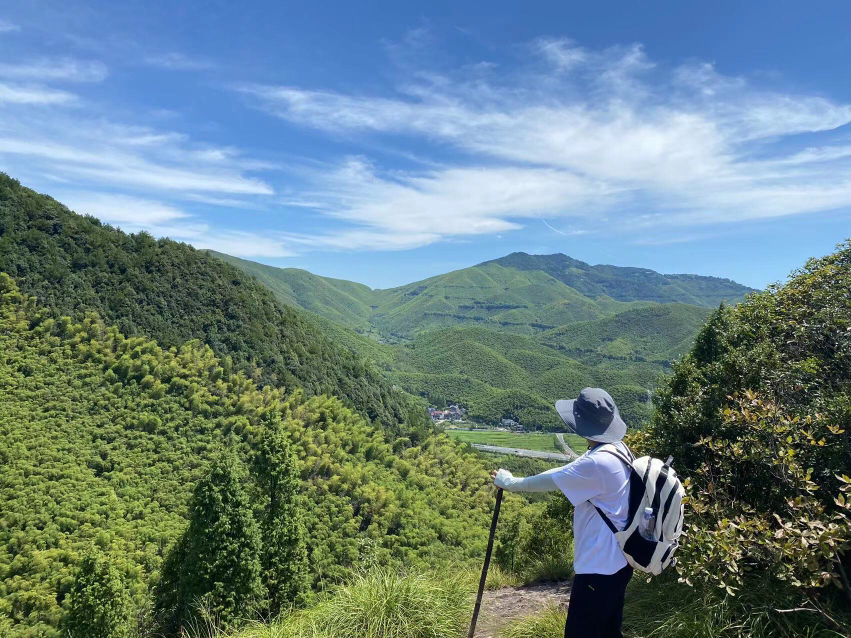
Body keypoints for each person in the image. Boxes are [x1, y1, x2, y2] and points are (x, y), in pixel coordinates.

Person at [491, 387, 633, 638]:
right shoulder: (618, 449)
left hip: (597, 569)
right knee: (609, 631)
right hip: (619, 563)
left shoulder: (597, 463)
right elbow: (568, 472)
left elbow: (553, 480)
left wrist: (510, 483)